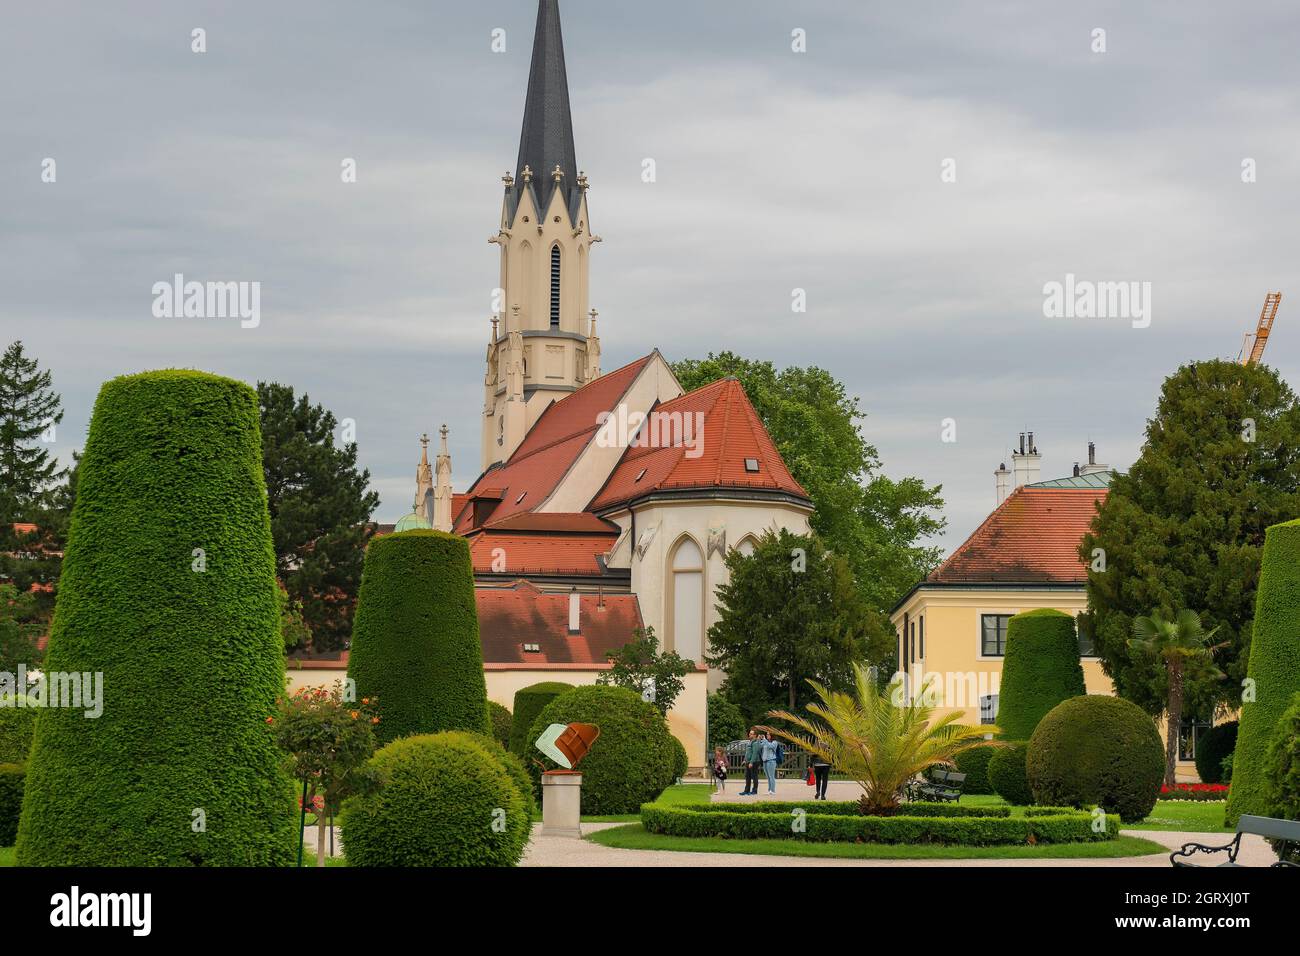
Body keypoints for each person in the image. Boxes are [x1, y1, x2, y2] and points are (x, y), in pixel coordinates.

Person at [740, 728, 762, 795]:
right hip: (748, 762)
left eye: (751, 734)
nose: (750, 735)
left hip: (754, 762)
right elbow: (748, 753)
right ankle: (746, 791)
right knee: (748, 777)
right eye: (750, 733)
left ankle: (754, 791)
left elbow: (755, 753)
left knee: (754, 777)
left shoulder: (755, 742)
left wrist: (751, 762)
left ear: (755, 735)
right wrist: (745, 760)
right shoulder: (750, 741)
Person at [761, 730, 780, 795]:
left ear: (772, 735)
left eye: (768, 734)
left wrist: (764, 740)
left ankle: (773, 790)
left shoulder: (775, 742)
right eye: (766, 734)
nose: (767, 735)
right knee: (768, 777)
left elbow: (770, 746)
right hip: (765, 761)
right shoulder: (766, 741)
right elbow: (760, 746)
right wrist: (759, 740)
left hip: (771, 761)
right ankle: (769, 790)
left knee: (771, 776)